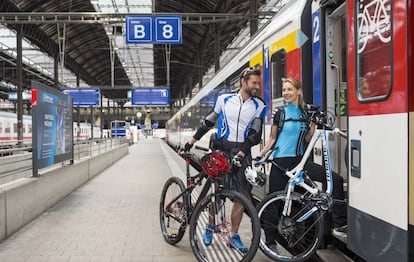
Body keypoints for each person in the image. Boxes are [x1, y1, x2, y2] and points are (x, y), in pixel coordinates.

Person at [257, 77, 347, 250]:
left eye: (289, 89)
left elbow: (307, 138)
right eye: (284, 90)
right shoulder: (280, 112)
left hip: (300, 163)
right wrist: (261, 155)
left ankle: (339, 226)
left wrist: (312, 124)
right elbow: (272, 138)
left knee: (335, 181)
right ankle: (269, 242)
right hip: (280, 164)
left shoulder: (305, 113)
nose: (286, 93)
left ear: (298, 91)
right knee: (274, 204)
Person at [184, 66, 266, 253]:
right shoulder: (224, 99)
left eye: (258, 83)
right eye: (254, 83)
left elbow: (255, 135)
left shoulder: (259, 105)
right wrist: (192, 140)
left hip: (242, 152)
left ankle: (233, 235)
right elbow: (209, 121)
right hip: (221, 150)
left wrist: (242, 153)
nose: (257, 87)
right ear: (243, 82)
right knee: (219, 193)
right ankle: (210, 226)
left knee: (242, 195)